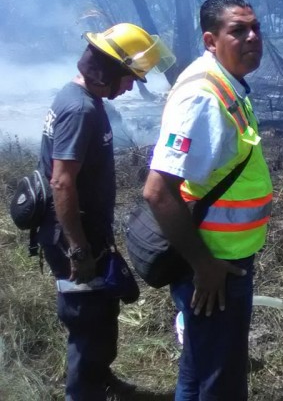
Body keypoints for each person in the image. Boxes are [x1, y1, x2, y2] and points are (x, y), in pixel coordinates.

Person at [143, 0, 274, 400]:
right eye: (238, 30)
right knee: (221, 381)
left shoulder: (224, 82)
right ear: (210, 39)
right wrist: (205, 266)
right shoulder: (203, 95)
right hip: (214, 266)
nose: (252, 37)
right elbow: (157, 190)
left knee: (199, 370)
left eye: (255, 28)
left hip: (223, 260)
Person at [38, 23, 175, 400]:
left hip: (84, 232)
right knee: (88, 320)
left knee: (101, 313)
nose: (130, 86)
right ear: (108, 71)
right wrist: (78, 249)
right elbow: (61, 182)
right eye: (128, 78)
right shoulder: (80, 110)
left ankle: (100, 379)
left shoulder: (78, 98)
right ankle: (84, 392)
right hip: (73, 237)